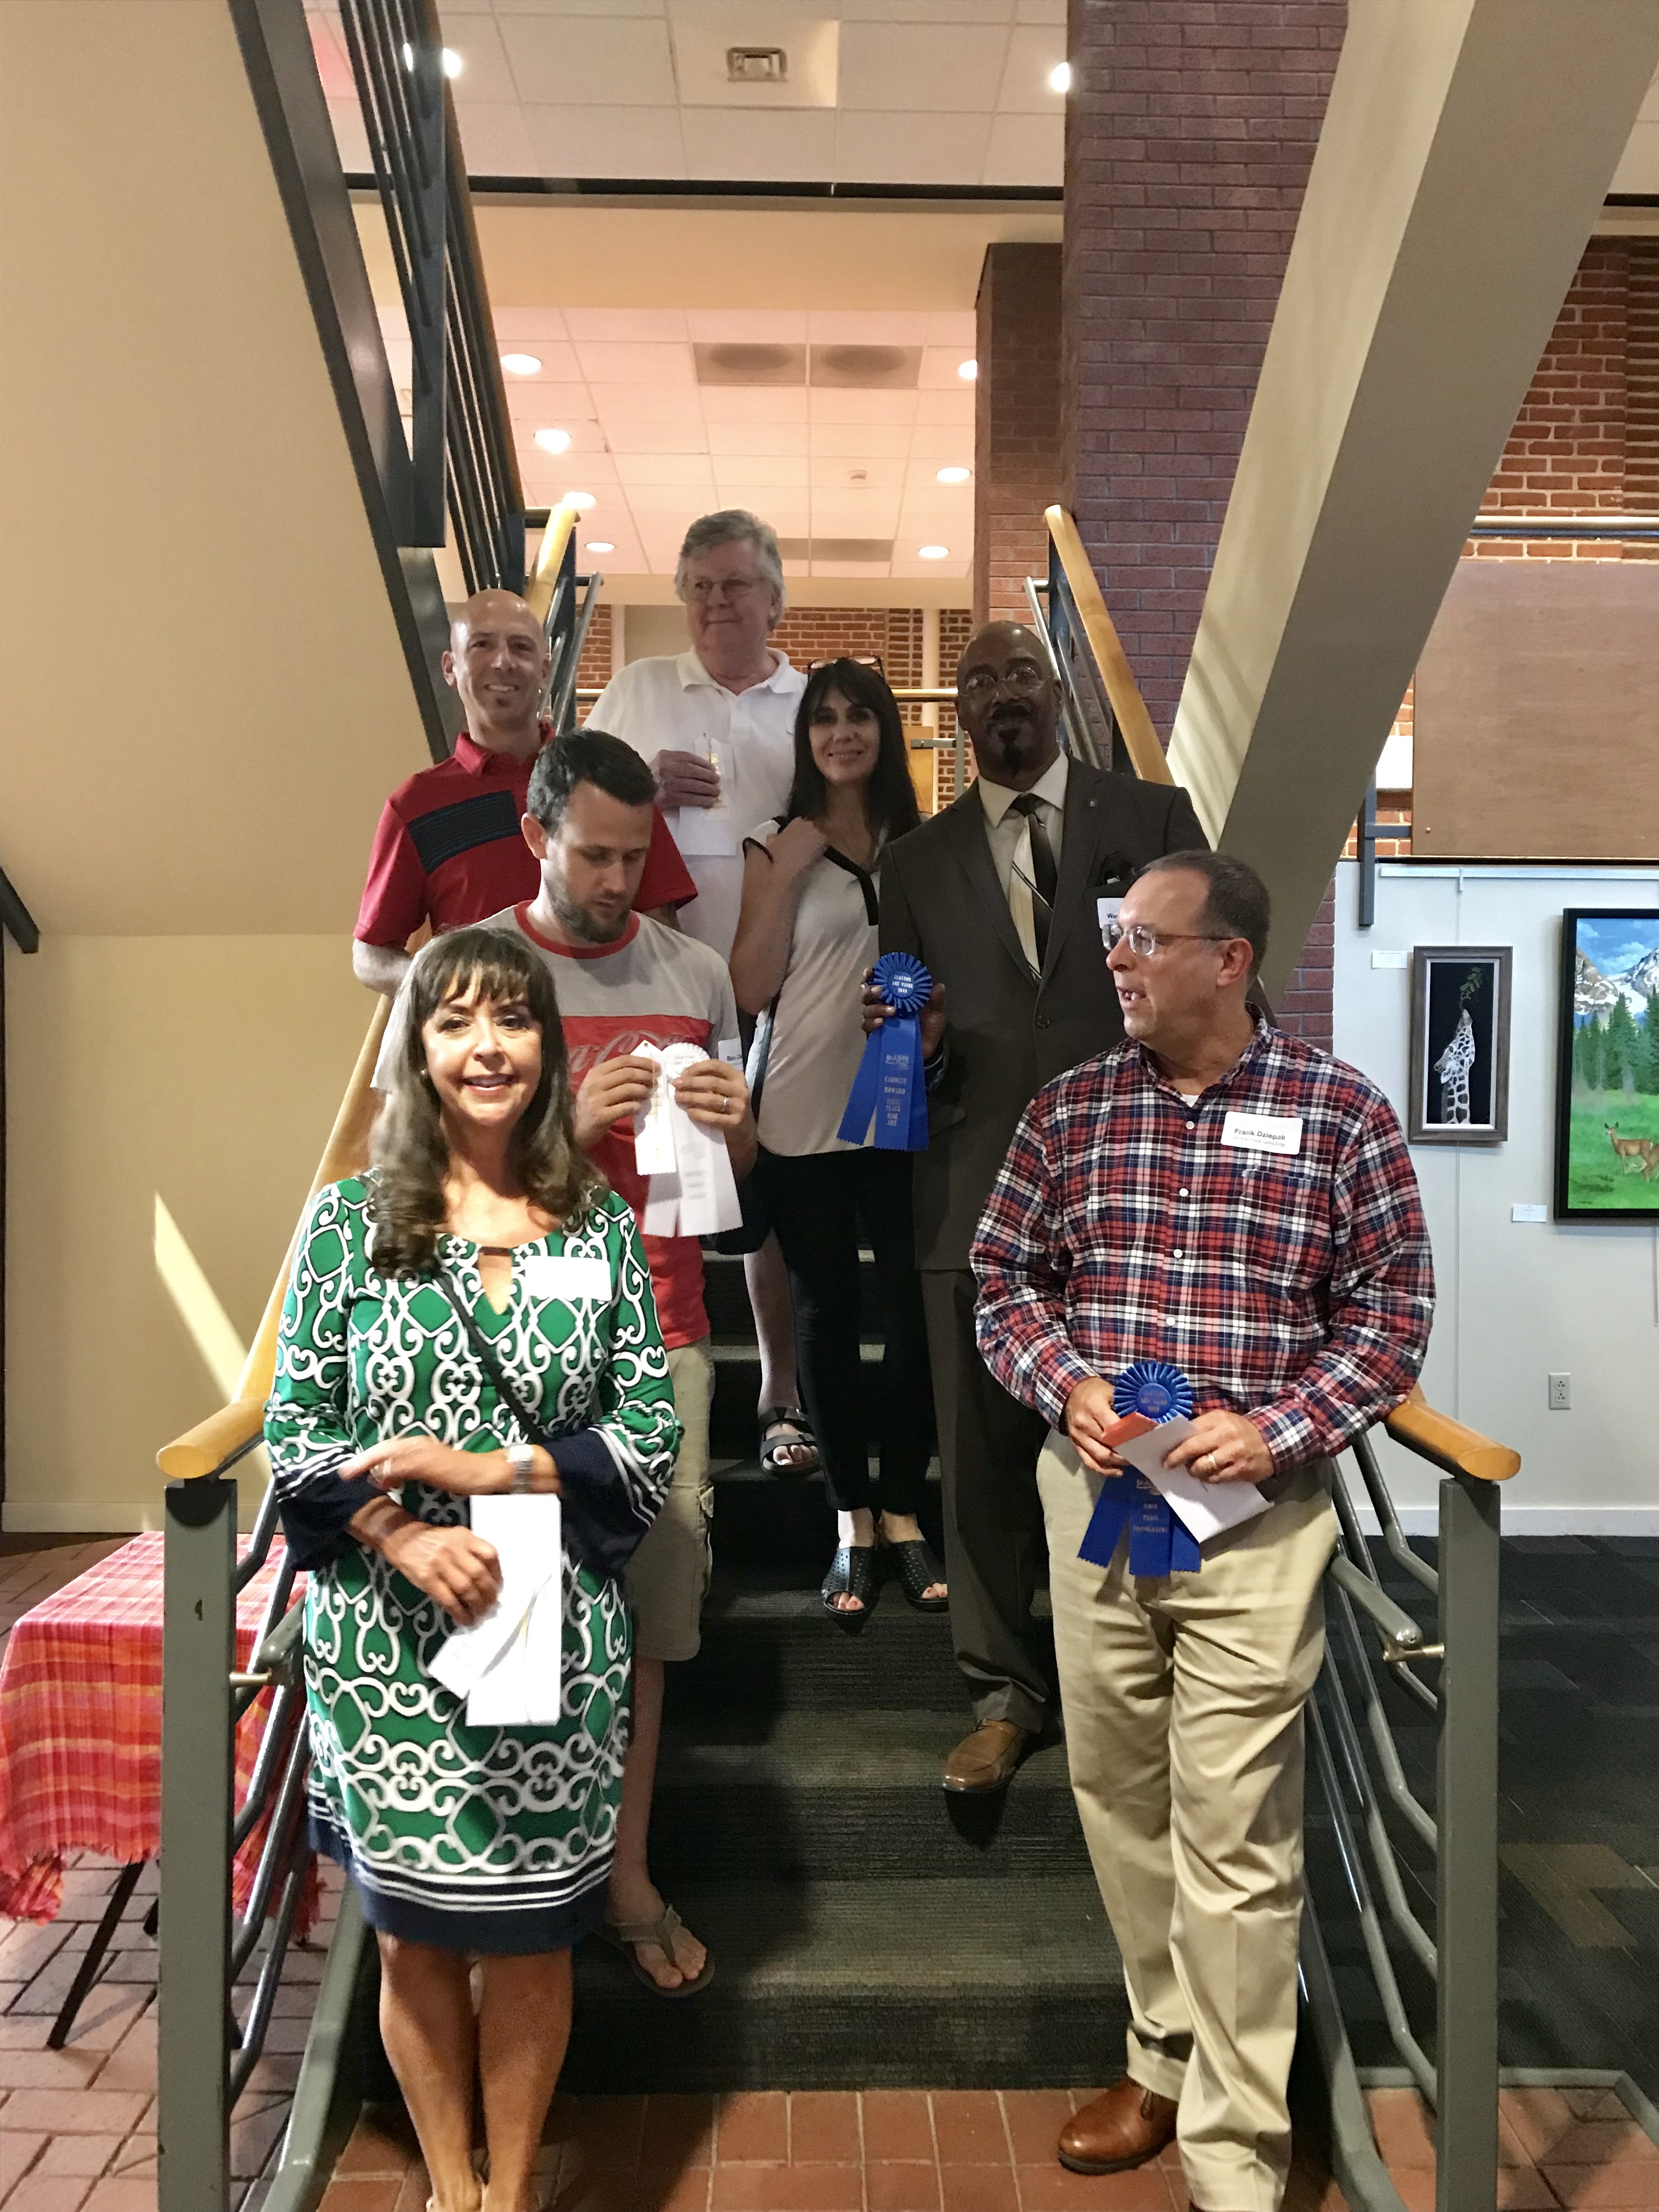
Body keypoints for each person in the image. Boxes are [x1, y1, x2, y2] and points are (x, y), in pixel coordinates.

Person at [972, 851, 1435, 2212]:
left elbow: (1391, 1316)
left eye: (1145, 940)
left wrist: (1283, 1427)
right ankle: (1162, 2055)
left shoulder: (1342, 1114)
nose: (1117, 959)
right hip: (1103, 1507)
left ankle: (1237, 2150)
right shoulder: (1071, 1111)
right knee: (1120, 1799)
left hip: (1255, 1527)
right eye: (1118, 938)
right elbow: (1003, 1278)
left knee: (1236, 1833)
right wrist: (1067, 1382)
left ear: (1230, 960)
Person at [266, 926, 681, 2212]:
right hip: (385, 1650)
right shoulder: (348, 1224)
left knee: (538, 1944)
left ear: (547, 1043)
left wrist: (487, 1471)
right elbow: (297, 1431)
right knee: (414, 1946)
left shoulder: (598, 1223)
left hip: (552, 1634)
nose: (486, 1047)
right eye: (454, 1021)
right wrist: (402, 1532)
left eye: (511, 1018)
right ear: (418, 1048)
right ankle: (455, 2188)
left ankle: (508, 2199)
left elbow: (649, 1431)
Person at [872, 620, 1209, 1795]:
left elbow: (1213, 988)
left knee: (1140, 1438)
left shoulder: (1152, 818)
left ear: (1059, 690)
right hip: (971, 1196)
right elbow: (902, 1056)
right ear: (958, 713)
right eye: (977, 681)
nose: (1000, 693)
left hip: (1133, 1197)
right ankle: (1003, 1693)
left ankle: (1137, 1677)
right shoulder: (915, 862)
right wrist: (910, 1047)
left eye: (1020, 672)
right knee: (980, 1463)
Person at [482, 729, 755, 1997]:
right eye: (593, 853)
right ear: (536, 835)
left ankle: (625, 1877)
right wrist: (561, 1126)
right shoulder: (470, 970)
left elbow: (731, 1175)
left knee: (648, 1622)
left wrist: (738, 1131)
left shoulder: (694, 971)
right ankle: (513, 1885)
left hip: (668, 1335)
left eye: (634, 857)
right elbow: (411, 1180)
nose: (615, 879)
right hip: (512, 1347)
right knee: (513, 1623)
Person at [587, 510, 817, 1480]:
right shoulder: (636, 689)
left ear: (775, 599)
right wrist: (638, 784)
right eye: (700, 587)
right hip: (657, 992)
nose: (717, 602)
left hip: (788, 991)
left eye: (736, 584)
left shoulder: (812, 704)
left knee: (771, 1191)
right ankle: (639, 1381)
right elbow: (572, 808)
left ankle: (779, 1391)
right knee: (654, 1197)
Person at [730, 658, 944, 1629]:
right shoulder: (775, 844)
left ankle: (902, 1508)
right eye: (824, 717)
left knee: (911, 1311)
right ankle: (850, 1514)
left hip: (905, 1111)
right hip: (800, 1112)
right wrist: (788, 873)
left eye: (860, 715)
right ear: (804, 736)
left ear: (886, 730)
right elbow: (749, 986)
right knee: (824, 1311)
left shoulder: (926, 844)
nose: (842, 732)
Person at [353, 587, 693, 997]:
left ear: (545, 670)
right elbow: (370, 955)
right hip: (490, 1029)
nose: (503, 662)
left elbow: (662, 930)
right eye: (482, 645)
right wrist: (451, 987)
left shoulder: (606, 780)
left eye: (520, 647)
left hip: (611, 1018)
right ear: (450, 667)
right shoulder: (416, 805)